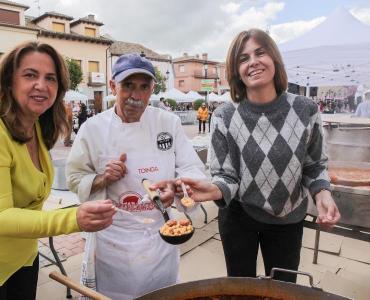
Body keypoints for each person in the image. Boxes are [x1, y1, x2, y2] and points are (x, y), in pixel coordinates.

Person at [0, 41, 116, 300]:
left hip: (22, 260)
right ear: (10, 81)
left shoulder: (38, 126)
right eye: (30, 75)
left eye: (50, 78)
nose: (42, 85)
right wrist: (73, 219)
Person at [177, 29, 340, 283]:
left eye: (259, 53)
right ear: (236, 70)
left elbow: (315, 164)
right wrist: (213, 190)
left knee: (284, 288)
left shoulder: (306, 110)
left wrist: (323, 193)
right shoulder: (224, 116)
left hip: (289, 217)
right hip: (239, 216)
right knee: (241, 289)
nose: (252, 61)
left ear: (274, 58)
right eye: (243, 58)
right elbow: (225, 174)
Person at [66, 53, 206, 299]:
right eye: (128, 85)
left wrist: (175, 187)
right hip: (112, 239)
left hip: (159, 236)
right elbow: (75, 178)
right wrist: (102, 178)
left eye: (144, 87)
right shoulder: (93, 129)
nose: (136, 95)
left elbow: (191, 169)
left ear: (153, 88)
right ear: (113, 86)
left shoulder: (168, 123)